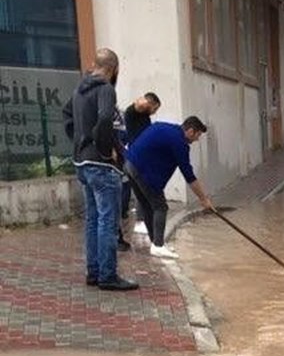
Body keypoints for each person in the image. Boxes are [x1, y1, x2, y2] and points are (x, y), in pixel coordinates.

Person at [62, 47, 139, 291]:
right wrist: (106, 149)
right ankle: (108, 275)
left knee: (93, 220)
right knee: (108, 221)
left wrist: (80, 142)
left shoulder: (79, 89)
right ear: (113, 68)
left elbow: (66, 114)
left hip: (82, 164)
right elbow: (106, 118)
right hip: (101, 165)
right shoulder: (105, 89)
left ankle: (94, 272)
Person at [125, 115, 213, 259]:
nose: (197, 140)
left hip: (130, 164)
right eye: (197, 135)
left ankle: (156, 243)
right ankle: (158, 246)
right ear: (190, 131)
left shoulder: (165, 127)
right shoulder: (180, 143)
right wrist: (204, 199)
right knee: (161, 207)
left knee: (148, 206)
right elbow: (189, 175)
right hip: (143, 170)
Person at [119, 92, 161, 241]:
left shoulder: (145, 117)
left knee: (143, 194)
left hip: (144, 159)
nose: (155, 112)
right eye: (155, 108)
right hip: (137, 159)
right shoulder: (133, 112)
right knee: (142, 194)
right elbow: (139, 104)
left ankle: (147, 227)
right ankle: (141, 223)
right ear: (150, 104)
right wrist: (148, 103)